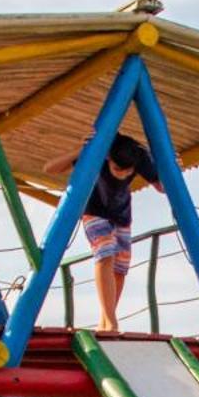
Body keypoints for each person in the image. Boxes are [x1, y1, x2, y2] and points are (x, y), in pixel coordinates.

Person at [48, 133, 158, 333]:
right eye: (117, 169)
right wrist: (82, 151)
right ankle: (111, 320)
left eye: (128, 172)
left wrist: (170, 167)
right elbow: (49, 168)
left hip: (121, 214)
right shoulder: (98, 153)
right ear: (108, 159)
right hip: (94, 210)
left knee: (120, 268)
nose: (123, 175)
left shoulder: (137, 156)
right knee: (105, 252)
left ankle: (104, 321)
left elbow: (162, 187)